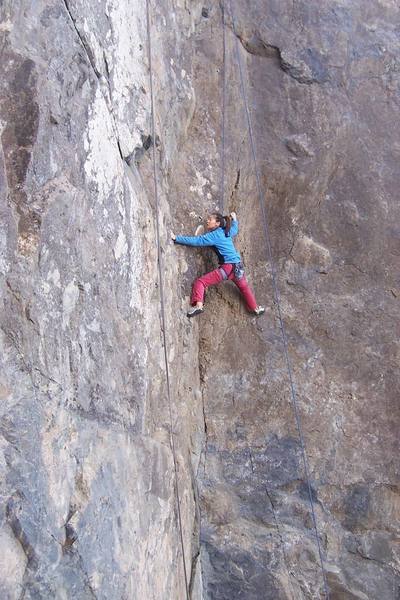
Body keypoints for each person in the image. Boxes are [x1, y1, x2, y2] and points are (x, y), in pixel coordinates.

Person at [172, 212, 265, 317]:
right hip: (238, 267)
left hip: (227, 268)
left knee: (201, 282)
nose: (207, 220)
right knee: (244, 288)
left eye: (210, 219)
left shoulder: (215, 235)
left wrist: (176, 238)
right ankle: (255, 308)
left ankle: (198, 305)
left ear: (217, 223)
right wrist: (234, 219)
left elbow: (197, 240)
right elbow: (235, 229)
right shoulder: (226, 231)